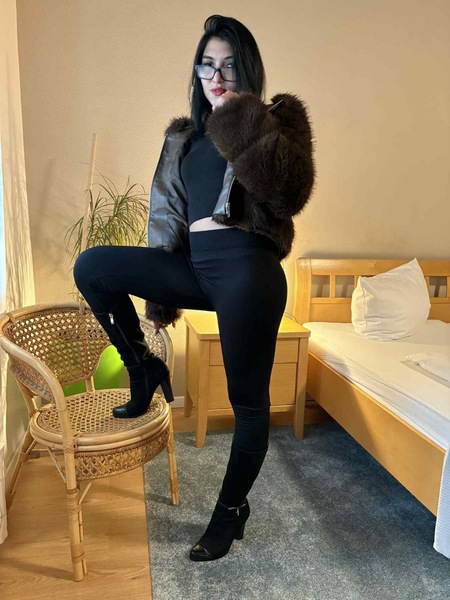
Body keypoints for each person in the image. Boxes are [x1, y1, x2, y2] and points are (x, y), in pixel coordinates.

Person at [74, 14, 315, 562]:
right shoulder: (185, 139)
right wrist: (161, 293)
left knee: (247, 404)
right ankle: (144, 368)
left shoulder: (276, 124)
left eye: (229, 65)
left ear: (248, 69)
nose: (217, 76)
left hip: (249, 270)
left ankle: (230, 511)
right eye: (207, 65)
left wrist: (240, 118)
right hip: (194, 266)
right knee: (93, 266)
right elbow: (170, 217)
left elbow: (288, 194)